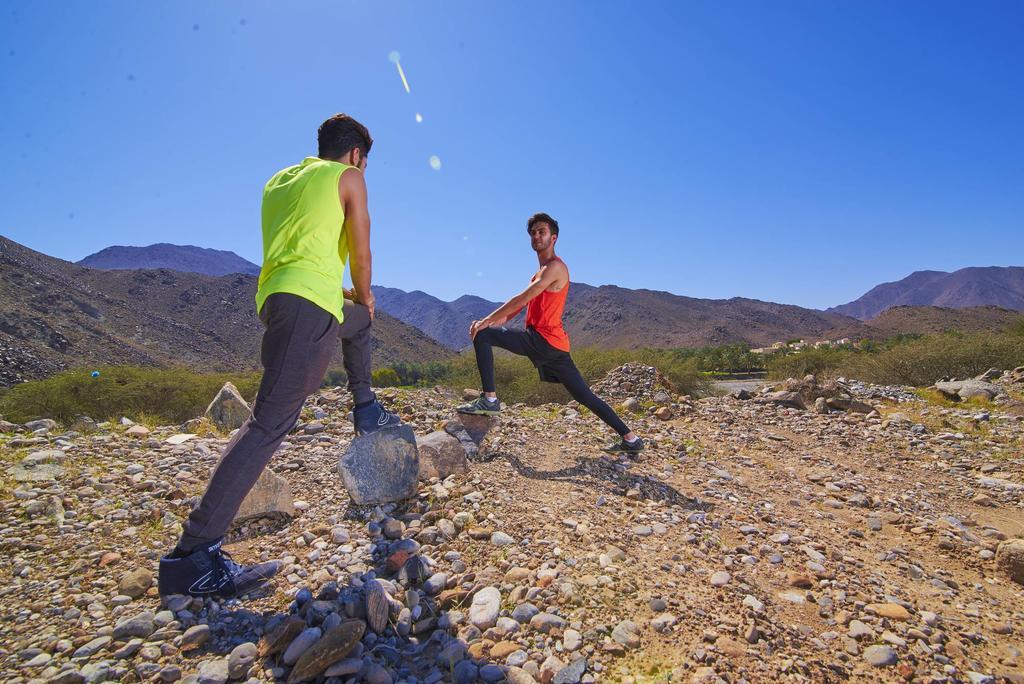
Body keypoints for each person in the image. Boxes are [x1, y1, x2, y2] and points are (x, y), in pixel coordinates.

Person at [158, 114, 402, 599]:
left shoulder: (279, 180)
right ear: (356, 155)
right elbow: (361, 249)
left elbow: (301, 247)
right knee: (268, 424)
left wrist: (358, 305)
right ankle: (192, 556)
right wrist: (367, 292)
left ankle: (366, 408)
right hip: (309, 308)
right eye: (365, 162)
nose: (364, 171)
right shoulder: (348, 178)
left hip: (280, 301)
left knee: (361, 322)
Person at [457, 212, 644, 455]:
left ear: (553, 237)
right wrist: (499, 320)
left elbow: (521, 297)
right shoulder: (541, 271)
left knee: (483, 334)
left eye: (541, 232)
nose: (536, 236)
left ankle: (489, 400)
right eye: (533, 233)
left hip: (542, 340)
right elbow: (524, 305)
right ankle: (631, 439)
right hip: (555, 346)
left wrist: (487, 321)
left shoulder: (555, 267)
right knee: (584, 396)